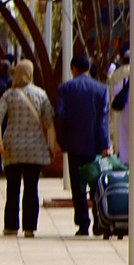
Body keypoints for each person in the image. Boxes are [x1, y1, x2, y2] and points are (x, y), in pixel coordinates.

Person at [0, 59, 56, 236]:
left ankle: (11, 226)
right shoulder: (40, 94)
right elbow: (50, 124)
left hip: (12, 148)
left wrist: (0, 145)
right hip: (35, 149)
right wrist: (50, 146)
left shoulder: (8, 95)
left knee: (12, 188)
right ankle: (29, 228)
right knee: (31, 188)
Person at [54, 52, 110, 237]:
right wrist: (105, 145)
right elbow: (103, 121)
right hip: (94, 146)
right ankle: (99, 222)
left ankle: (83, 224)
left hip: (74, 144)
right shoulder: (101, 90)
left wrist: (62, 142)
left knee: (78, 187)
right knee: (96, 185)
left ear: (73, 69)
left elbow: (59, 117)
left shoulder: (65, 89)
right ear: (89, 68)